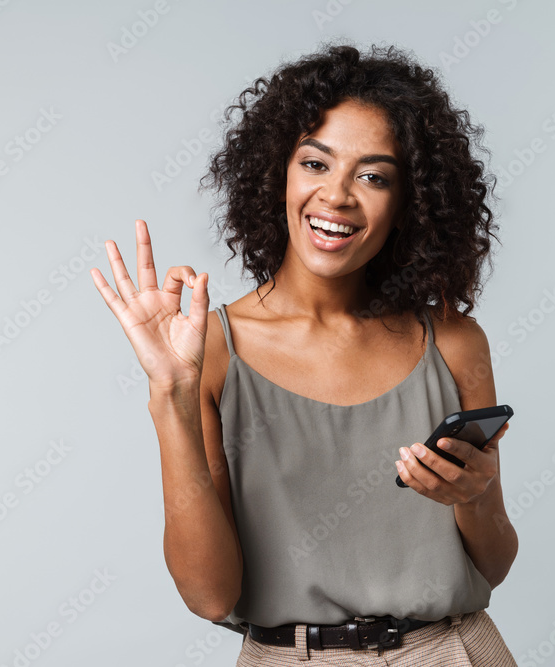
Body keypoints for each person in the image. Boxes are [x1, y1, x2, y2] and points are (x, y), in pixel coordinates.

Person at [91, 42, 519, 666]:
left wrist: (474, 495)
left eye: (373, 177)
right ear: (277, 173)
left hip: (453, 650)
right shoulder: (211, 350)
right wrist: (170, 396)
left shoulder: (454, 342)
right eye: (315, 164)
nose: (338, 196)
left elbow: (495, 562)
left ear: (409, 204)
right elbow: (210, 595)